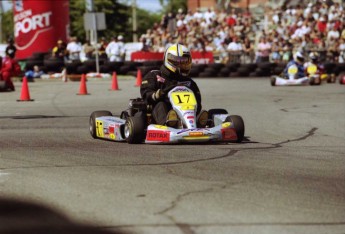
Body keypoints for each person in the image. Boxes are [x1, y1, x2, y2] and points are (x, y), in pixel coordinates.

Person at [140, 43, 208, 128]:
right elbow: (146, 93)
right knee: (160, 104)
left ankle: (198, 122)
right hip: (161, 112)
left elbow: (198, 102)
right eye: (179, 61)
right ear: (170, 60)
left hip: (186, 112)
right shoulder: (154, 75)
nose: (182, 65)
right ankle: (169, 124)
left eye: (185, 61)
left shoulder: (189, 82)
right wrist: (156, 95)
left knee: (203, 109)